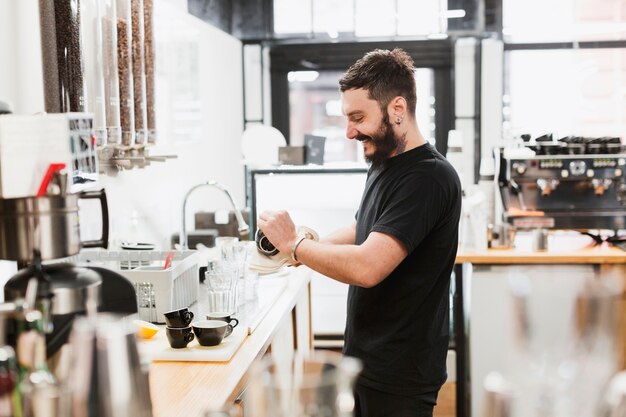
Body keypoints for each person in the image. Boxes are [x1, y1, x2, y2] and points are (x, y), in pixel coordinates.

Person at [257, 48, 462, 417]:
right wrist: (298, 250)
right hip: (367, 358)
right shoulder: (386, 160)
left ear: (397, 109)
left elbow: (368, 266)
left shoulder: (428, 177)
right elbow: (362, 227)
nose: (350, 131)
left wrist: (297, 245)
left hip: (400, 373)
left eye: (358, 117)